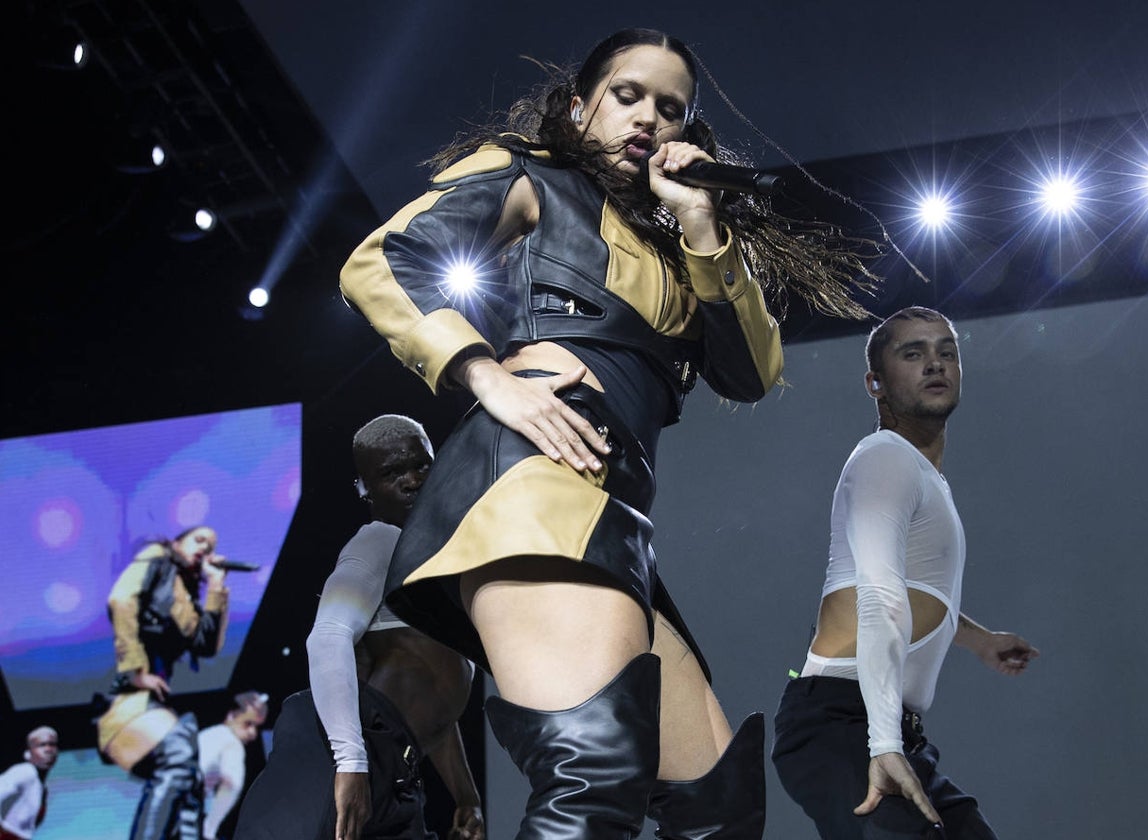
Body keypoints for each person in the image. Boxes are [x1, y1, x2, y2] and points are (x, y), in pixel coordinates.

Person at [338, 27, 876, 838]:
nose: (648, 119)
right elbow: (380, 262)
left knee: (718, 810)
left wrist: (699, 220)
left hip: (614, 520)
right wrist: (483, 374)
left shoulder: (675, 248)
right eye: (627, 96)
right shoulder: (533, 176)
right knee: (591, 787)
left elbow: (752, 373)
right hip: (538, 484)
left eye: (672, 109)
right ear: (580, 105)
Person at [771, 306, 1040, 839]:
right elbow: (879, 597)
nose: (934, 364)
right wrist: (884, 744)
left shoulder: (921, 475)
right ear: (875, 383)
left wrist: (979, 640)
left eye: (946, 352)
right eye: (912, 354)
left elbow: (911, 591)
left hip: (887, 729)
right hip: (844, 725)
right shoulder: (884, 458)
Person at [233, 415, 484, 840]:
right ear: (364, 489)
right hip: (341, 758)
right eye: (391, 473)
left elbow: (436, 708)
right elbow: (328, 637)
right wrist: (351, 762)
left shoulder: (436, 561)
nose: (411, 480)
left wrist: (466, 796)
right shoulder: (380, 542)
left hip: (394, 769)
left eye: (421, 465)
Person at [97, 525, 230, 840]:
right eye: (198, 540)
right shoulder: (157, 558)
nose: (204, 550)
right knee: (180, 750)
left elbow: (207, 645)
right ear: (176, 542)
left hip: (152, 707)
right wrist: (134, 669)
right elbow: (121, 599)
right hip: (127, 700)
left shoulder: (183, 598)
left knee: (189, 785)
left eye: (210, 547)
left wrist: (216, 585)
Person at [198, 691, 269, 840]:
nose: (252, 733)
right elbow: (232, 785)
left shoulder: (208, 734)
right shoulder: (231, 743)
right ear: (231, 716)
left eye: (256, 727)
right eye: (248, 724)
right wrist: (209, 829)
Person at [0, 726, 58, 840]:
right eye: (42, 745)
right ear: (28, 752)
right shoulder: (24, 771)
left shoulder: (42, 787)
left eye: (52, 744)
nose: (49, 749)